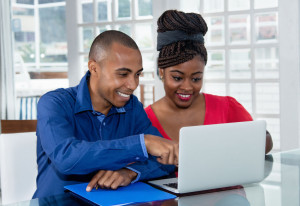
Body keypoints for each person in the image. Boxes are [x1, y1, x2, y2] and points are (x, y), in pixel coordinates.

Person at [33, 30, 179, 199]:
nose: (133, 85)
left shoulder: (132, 107)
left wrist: (130, 172)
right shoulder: (54, 103)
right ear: (94, 68)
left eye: (137, 74)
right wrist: (141, 144)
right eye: (123, 74)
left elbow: (167, 159)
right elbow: (66, 158)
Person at [145, 10, 273, 154]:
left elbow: (264, 142)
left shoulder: (227, 108)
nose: (187, 87)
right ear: (161, 72)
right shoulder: (144, 120)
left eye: (196, 79)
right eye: (177, 78)